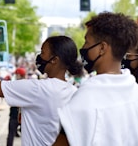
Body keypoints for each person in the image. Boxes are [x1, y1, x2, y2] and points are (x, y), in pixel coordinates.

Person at [57, 12, 138, 146]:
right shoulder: (134, 90)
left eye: (87, 42)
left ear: (102, 48)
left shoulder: (86, 99)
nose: (83, 48)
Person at [6, 67, 26, 146]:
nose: (16, 76)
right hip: (19, 115)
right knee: (12, 135)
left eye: (17, 75)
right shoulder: (27, 85)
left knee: (11, 135)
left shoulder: (14, 86)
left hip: (19, 115)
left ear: (20, 75)